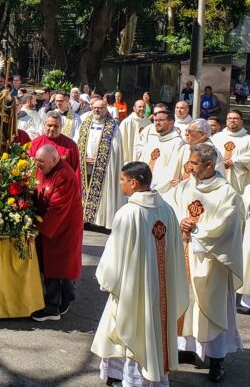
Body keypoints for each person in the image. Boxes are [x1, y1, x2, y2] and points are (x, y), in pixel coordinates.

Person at [91, 162, 188, 386]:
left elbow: (114, 258)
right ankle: (140, 375)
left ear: (133, 183)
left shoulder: (128, 213)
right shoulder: (167, 210)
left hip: (132, 288)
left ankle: (129, 379)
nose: (121, 184)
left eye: (122, 180)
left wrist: (107, 280)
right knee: (151, 330)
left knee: (127, 325)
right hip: (161, 291)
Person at [163, 144, 243, 383]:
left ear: (209, 165)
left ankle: (217, 360)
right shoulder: (186, 186)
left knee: (211, 309)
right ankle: (187, 348)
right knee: (185, 304)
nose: (190, 166)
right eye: (190, 162)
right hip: (184, 252)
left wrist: (196, 229)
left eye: (195, 163)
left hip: (210, 260)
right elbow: (170, 208)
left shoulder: (226, 193)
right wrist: (181, 223)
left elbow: (227, 226)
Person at [30, 145, 83, 321]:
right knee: (53, 264)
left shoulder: (64, 176)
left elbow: (57, 208)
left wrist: (38, 230)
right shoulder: (46, 167)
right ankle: (62, 299)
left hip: (62, 226)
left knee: (58, 265)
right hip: (51, 222)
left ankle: (54, 307)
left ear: (54, 159)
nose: (38, 166)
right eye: (37, 161)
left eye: (41, 162)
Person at [74, 100, 124, 230]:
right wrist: (82, 157)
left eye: (100, 108)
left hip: (103, 166)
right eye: (95, 108)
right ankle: (84, 219)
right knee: (84, 189)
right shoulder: (85, 122)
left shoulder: (112, 126)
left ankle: (100, 221)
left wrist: (100, 159)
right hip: (84, 164)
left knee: (102, 192)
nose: (97, 110)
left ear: (106, 109)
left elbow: (116, 148)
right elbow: (76, 140)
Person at [138, 110, 185, 193]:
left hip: (161, 191)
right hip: (144, 187)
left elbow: (172, 170)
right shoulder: (152, 139)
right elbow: (142, 161)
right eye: (155, 120)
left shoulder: (177, 142)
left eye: (161, 120)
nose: (157, 123)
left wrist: (155, 189)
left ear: (171, 123)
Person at [211, 109, 250, 195]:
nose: (232, 120)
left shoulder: (248, 139)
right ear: (226, 121)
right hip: (217, 179)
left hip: (239, 183)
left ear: (241, 121)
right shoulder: (216, 137)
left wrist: (235, 160)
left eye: (235, 118)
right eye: (230, 118)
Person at [118, 99, 150, 165]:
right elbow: (120, 141)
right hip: (130, 154)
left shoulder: (148, 122)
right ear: (134, 108)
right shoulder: (126, 122)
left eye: (144, 107)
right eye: (140, 107)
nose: (142, 108)